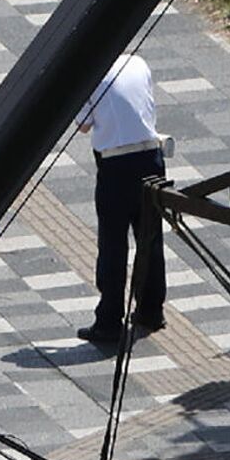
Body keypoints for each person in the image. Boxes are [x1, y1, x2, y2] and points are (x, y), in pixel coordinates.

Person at [75, 52, 166, 350]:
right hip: (153, 156)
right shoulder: (138, 62)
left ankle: (109, 321)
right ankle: (151, 311)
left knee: (113, 245)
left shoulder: (89, 72)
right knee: (150, 238)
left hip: (115, 165)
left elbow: (84, 125)